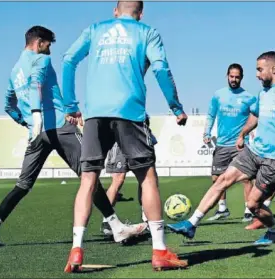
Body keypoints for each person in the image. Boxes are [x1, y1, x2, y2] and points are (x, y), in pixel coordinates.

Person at [0, 26, 146, 248]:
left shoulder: (14, 71)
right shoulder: (40, 60)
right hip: (60, 128)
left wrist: (28, 122)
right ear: (39, 42)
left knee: (22, 185)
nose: (49, 50)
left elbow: (8, 105)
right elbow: (36, 84)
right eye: (48, 45)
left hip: (38, 134)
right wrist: (36, 115)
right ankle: (117, 227)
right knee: (89, 177)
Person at [62, 1, 188, 272]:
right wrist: (176, 106)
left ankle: (76, 250)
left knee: (88, 180)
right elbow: (161, 68)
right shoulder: (147, 32)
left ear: (115, 11)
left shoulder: (95, 29)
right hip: (129, 112)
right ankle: (159, 251)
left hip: (95, 114)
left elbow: (68, 59)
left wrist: (71, 104)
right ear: (141, 13)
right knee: (147, 177)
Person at [167, 51, 275, 245]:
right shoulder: (263, 92)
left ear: (274, 69)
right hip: (254, 151)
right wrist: (242, 133)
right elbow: (255, 115)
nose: (256, 74)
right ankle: (191, 224)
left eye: (259, 69)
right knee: (222, 179)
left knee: (253, 204)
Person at [203, 63, 256, 222]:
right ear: (227, 76)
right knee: (216, 178)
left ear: (241, 78)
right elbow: (211, 115)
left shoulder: (249, 98)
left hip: (240, 144)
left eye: (237, 77)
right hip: (222, 144)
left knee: (245, 178)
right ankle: (222, 209)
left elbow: (256, 117)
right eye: (231, 76)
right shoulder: (218, 95)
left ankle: (249, 210)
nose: (234, 79)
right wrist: (206, 132)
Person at [101, 114, 158, 236]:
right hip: (120, 138)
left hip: (139, 136)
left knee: (146, 179)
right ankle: (107, 221)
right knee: (118, 180)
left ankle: (147, 220)